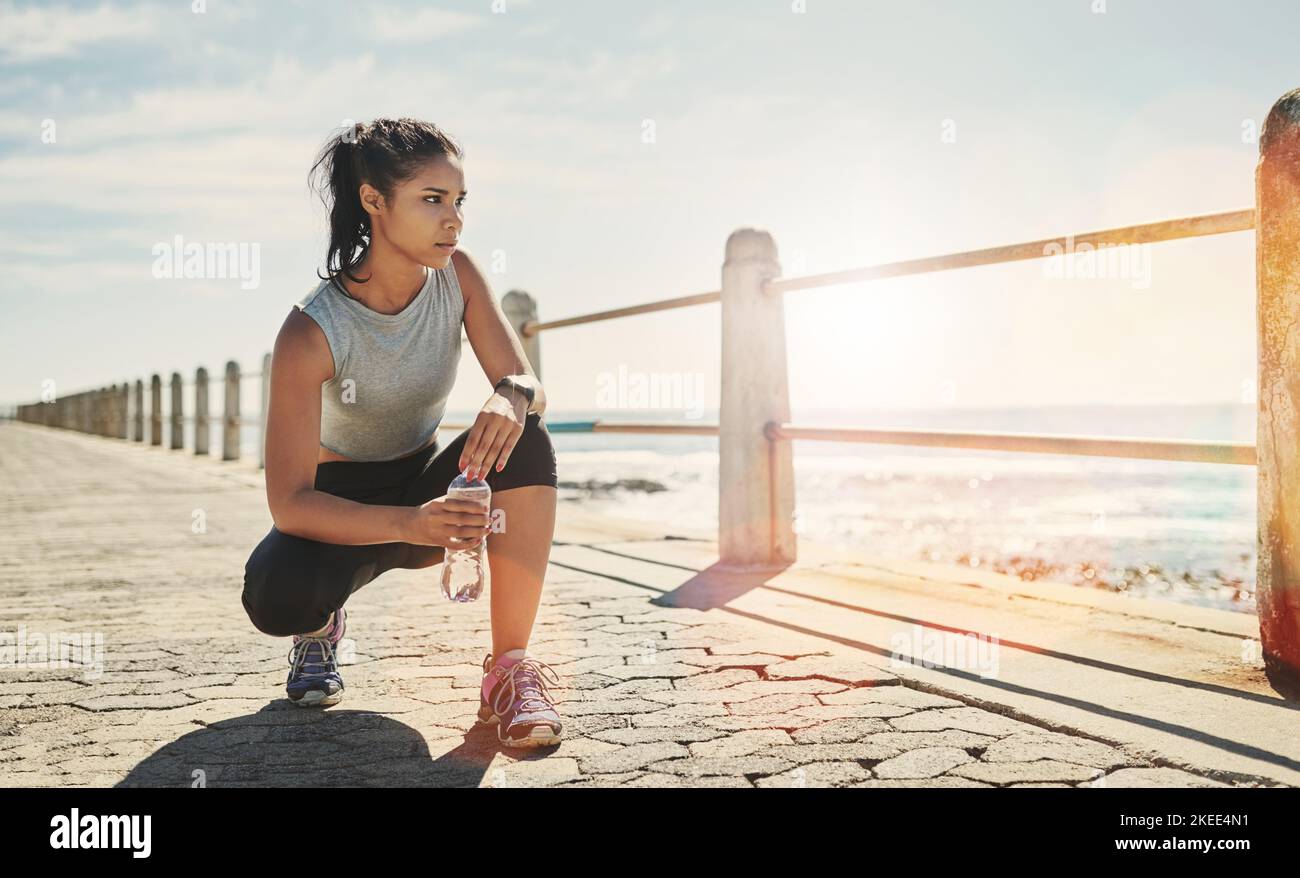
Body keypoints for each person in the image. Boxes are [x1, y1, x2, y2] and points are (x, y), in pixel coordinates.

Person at [240, 118, 562, 749]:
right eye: (432, 200)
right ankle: (318, 629)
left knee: (528, 437)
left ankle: (509, 671)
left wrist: (512, 395)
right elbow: (289, 503)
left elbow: (527, 383)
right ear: (374, 201)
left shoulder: (459, 276)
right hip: (336, 507)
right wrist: (411, 526)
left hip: (423, 484)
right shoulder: (311, 330)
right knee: (277, 597)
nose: (455, 221)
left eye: (459, 201)